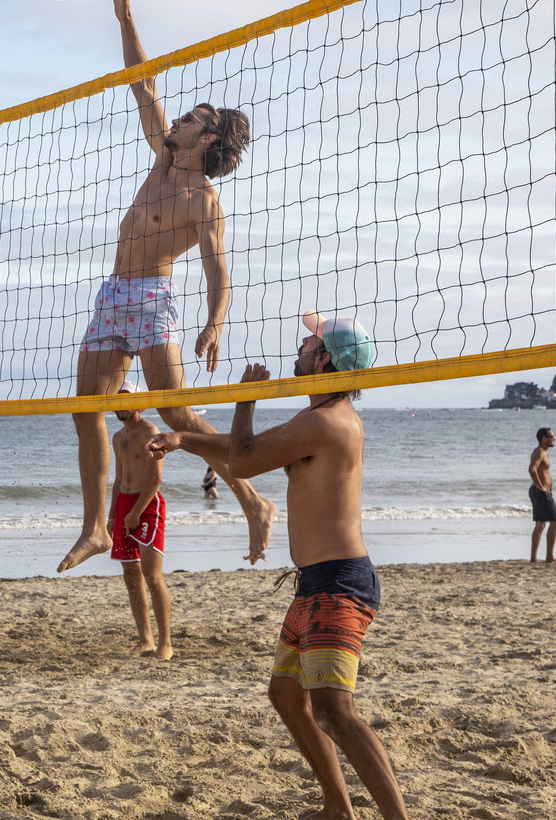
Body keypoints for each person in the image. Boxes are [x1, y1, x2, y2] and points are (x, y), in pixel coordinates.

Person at [151, 311, 407, 819]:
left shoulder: (324, 421)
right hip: (316, 583)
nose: (300, 347)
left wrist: (246, 399)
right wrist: (184, 440)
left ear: (325, 360)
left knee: (335, 712)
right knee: (287, 696)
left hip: (338, 585)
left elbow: (243, 460)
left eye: (309, 343)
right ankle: (338, 807)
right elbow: (249, 449)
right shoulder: (319, 419)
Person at [60, 0, 275, 573]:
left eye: (190, 119)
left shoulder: (204, 201)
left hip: (154, 298)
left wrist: (214, 323)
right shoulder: (161, 156)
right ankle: (95, 530)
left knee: (178, 414)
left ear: (206, 139)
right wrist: (126, 19)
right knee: (85, 408)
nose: (176, 119)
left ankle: (252, 500)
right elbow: (142, 81)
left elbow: (217, 270)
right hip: (112, 295)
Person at [105, 381, 173, 659]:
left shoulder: (151, 433)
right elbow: (118, 479)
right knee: (131, 574)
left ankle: (166, 643)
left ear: (139, 404)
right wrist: (112, 515)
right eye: (118, 400)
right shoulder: (117, 437)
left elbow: (155, 479)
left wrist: (135, 512)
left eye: (127, 400)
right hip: (124, 503)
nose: (121, 405)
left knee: (152, 575)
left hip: (147, 504)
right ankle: (146, 640)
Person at [528, 428, 556, 563]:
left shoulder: (541, 452)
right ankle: (549, 557)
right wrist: (541, 486)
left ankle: (534, 558)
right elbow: (532, 469)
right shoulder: (540, 452)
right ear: (544, 438)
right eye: (551, 436)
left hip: (539, 491)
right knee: (555, 523)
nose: (554, 439)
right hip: (540, 492)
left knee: (540, 525)